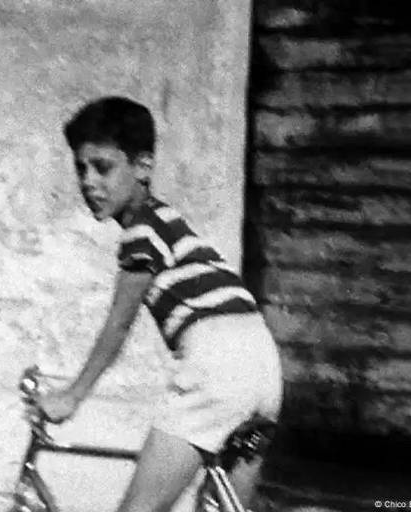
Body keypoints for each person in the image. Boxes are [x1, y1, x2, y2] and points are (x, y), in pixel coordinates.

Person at [35, 96, 283, 512]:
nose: (88, 182)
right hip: (262, 367)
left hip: (217, 366)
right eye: (81, 168)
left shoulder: (142, 233)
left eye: (103, 167)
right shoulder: (170, 222)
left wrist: (72, 396)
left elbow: (118, 325)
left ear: (143, 167)